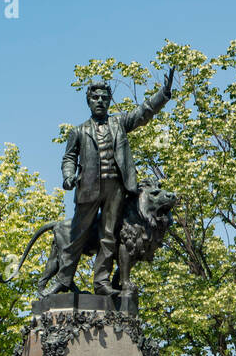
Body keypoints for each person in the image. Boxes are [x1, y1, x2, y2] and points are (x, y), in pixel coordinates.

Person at [48, 68, 175, 295]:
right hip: (88, 189)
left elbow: (143, 113)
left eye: (104, 98)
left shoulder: (119, 124)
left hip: (116, 188)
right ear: (88, 101)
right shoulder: (78, 131)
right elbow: (69, 157)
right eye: (95, 98)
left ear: (109, 102)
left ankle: (102, 283)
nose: (100, 101)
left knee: (108, 236)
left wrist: (163, 94)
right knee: (78, 235)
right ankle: (63, 280)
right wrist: (68, 177)